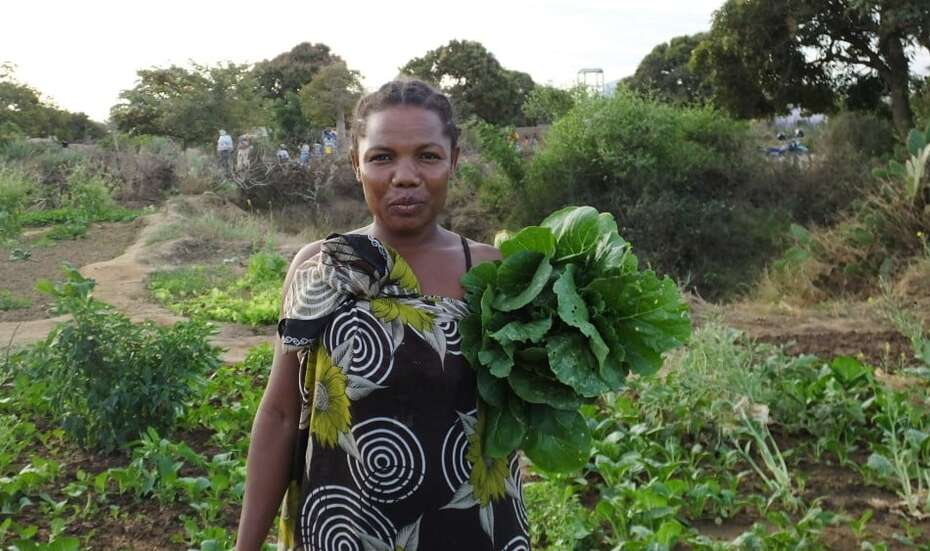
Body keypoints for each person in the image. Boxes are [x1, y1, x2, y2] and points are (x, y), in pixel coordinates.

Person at [235, 78, 529, 551]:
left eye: (427, 156)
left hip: (470, 527)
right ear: (356, 163)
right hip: (344, 528)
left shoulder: (492, 273)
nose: (406, 175)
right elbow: (280, 413)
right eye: (382, 157)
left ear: (453, 161)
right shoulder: (321, 267)